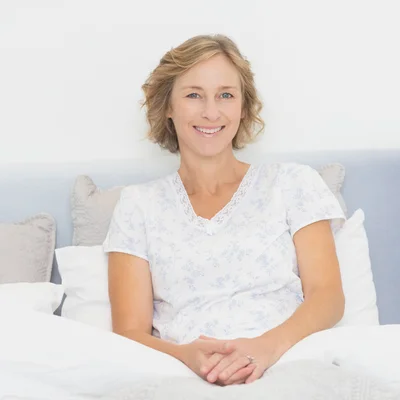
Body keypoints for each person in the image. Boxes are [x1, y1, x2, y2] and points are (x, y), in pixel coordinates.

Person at [103, 34, 347, 387]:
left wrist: (264, 349)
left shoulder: (292, 183)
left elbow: (328, 296)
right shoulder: (138, 206)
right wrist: (185, 356)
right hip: (182, 379)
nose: (211, 112)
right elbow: (129, 332)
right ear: (168, 106)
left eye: (226, 95)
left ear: (243, 107)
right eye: (193, 95)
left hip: (289, 365)